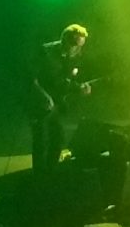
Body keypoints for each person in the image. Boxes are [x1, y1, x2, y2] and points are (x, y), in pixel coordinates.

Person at [28, 24, 93, 175]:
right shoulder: (46, 52)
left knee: (58, 138)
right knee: (41, 140)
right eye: (75, 45)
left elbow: (65, 80)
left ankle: (51, 172)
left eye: (81, 46)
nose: (78, 49)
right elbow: (31, 78)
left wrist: (80, 87)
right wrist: (43, 96)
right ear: (65, 40)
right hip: (40, 103)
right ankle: (39, 176)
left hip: (57, 103)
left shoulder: (74, 55)